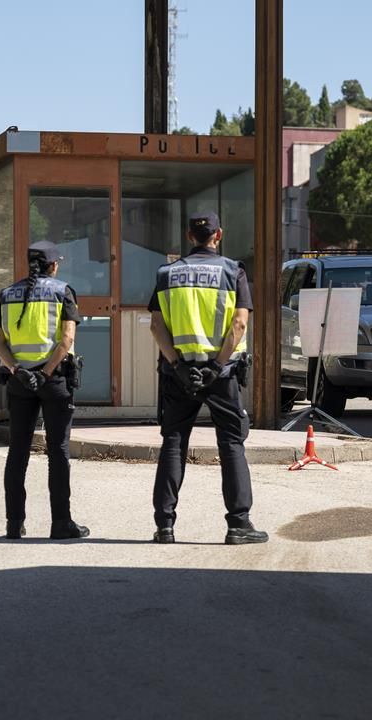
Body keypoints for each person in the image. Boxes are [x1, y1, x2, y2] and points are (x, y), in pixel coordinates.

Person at [149, 211, 266, 545]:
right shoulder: (233, 271)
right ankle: (239, 525)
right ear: (219, 235)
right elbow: (239, 325)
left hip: (178, 373)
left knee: (173, 442)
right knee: (230, 444)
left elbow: (157, 327)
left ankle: (165, 526)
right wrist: (216, 366)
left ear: (189, 237)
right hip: (222, 374)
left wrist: (178, 366)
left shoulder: (167, 273)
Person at [0, 241, 89, 540]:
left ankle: (13, 524)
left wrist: (18, 371)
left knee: (17, 451)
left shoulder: (7, 294)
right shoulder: (63, 291)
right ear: (54, 265)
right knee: (57, 451)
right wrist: (44, 374)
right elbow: (66, 340)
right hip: (54, 380)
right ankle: (61, 524)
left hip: (19, 383)